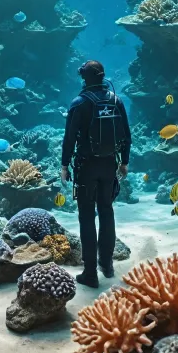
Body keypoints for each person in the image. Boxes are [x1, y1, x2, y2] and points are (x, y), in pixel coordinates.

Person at [61, 60, 131, 288]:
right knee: (107, 211)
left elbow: (69, 138)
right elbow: (127, 136)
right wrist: (124, 163)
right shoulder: (116, 100)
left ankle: (90, 273)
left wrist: (64, 165)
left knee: (86, 217)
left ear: (84, 78)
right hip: (110, 164)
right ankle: (107, 265)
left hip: (86, 166)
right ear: (102, 76)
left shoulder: (79, 103)